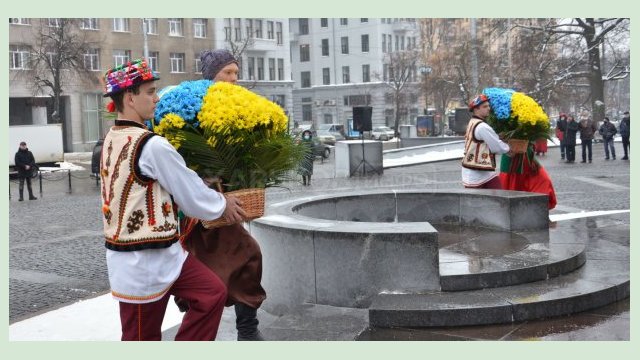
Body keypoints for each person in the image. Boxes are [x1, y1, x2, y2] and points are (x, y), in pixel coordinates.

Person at [99, 58, 246, 341]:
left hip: (165, 253)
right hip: (140, 260)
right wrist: (222, 204)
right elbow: (189, 192)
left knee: (211, 294)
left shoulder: (112, 137)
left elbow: (152, 186)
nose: (156, 98)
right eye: (150, 92)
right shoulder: (151, 144)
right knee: (141, 338)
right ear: (130, 98)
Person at [174, 49, 267, 341]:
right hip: (200, 207)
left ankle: (244, 329)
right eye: (227, 72)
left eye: (236, 74)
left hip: (223, 201)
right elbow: (181, 154)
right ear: (211, 74)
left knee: (240, 258)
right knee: (243, 254)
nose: (233, 79)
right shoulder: (194, 106)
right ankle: (242, 331)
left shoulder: (235, 105)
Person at [461, 94, 510, 189]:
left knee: (497, 196)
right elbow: (496, 146)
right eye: (485, 106)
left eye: (488, 106)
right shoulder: (482, 126)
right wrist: (509, 148)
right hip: (477, 172)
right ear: (476, 109)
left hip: (478, 170)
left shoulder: (472, 122)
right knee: (485, 200)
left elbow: (485, 140)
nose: (488, 108)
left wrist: (498, 137)